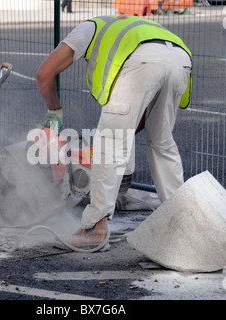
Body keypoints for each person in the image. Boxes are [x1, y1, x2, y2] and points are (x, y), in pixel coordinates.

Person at [36, 15, 192, 251]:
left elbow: (44, 74)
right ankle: (184, 225)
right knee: (162, 143)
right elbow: (139, 117)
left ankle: (93, 230)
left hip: (142, 62)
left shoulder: (87, 29)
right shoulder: (128, 27)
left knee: (108, 145)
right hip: (181, 59)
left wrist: (54, 110)